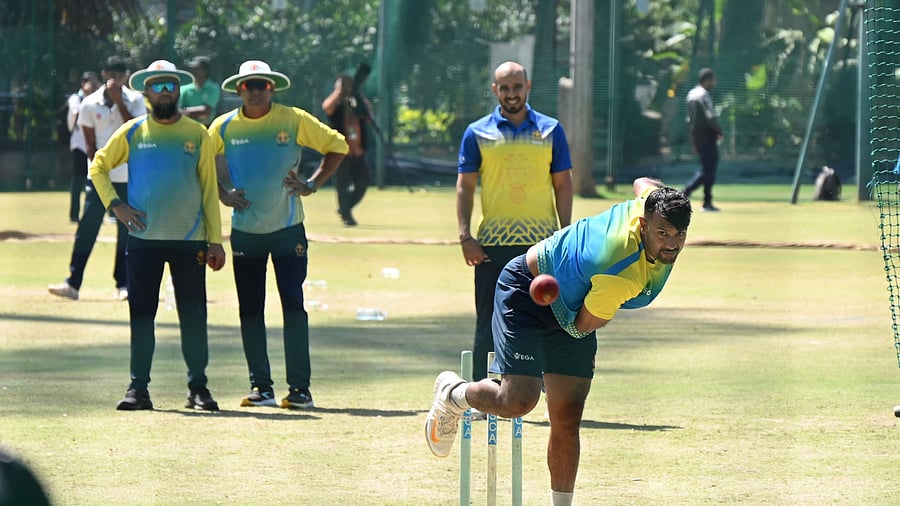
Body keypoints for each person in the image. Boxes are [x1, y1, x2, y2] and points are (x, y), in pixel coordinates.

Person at [425, 178, 692, 506]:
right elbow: (585, 324)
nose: (672, 244)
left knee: (567, 415)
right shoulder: (620, 271)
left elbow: (642, 183)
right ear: (643, 224)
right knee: (518, 401)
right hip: (527, 289)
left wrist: (664, 196)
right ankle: (453, 394)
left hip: (574, 301)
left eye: (679, 235)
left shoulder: (650, 203)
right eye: (662, 233)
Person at [209, 60, 348, 409]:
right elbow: (201, 161)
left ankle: (300, 389)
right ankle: (262, 388)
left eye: (262, 85)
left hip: (288, 232)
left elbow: (339, 146)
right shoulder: (223, 126)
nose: (256, 91)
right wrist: (223, 193)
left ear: (272, 88)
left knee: (293, 305)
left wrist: (312, 184)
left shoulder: (293, 119)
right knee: (251, 310)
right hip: (245, 233)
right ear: (238, 90)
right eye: (249, 85)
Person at [90, 60, 226, 411]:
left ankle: (198, 388)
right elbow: (99, 167)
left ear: (178, 91)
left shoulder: (198, 134)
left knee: (194, 315)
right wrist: (116, 206)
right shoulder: (133, 131)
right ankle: (138, 389)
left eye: (171, 86)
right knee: (141, 315)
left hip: (190, 242)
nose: (165, 92)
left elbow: (210, 191)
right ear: (146, 92)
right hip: (143, 242)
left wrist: (215, 241)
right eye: (157, 86)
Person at [457, 61, 573, 384]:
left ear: (528, 86)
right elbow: (465, 186)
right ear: (495, 90)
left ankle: (554, 393)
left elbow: (563, 185)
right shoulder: (476, 133)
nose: (511, 94)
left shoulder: (551, 130)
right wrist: (466, 236)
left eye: (517, 87)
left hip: (543, 247)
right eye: (504, 88)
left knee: (552, 320)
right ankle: (483, 391)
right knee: (488, 323)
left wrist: (564, 238)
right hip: (492, 244)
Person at [49, 56, 147, 301]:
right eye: (111, 72)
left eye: (120, 73)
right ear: (104, 74)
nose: (115, 77)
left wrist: (119, 103)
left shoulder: (135, 100)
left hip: (129, 177)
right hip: (100, 178)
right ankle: (73, 283)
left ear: (126, 76)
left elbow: (138, 132)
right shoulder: (90, 103)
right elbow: (90, 144)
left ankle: (123, 284)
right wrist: (99, 172)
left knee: (128, 230)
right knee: (87, 229)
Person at [322, 63, 373, 226]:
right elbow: (327, 107)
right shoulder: (336, 103)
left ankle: (345, 208)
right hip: (340, 151)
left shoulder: (356, 101)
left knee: (363, 182)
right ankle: (346, 216)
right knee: (342, 184)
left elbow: (368, 114)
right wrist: (339, 92)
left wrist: (356, 93)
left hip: (357, 151)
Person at [684, 67, 723, 212]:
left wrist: (694, 140)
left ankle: (707, 201)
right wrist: (719, 130)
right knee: (708, 170)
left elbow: (690, 120)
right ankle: (686, 193)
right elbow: (710, 117)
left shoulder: (691, 94)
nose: (714, 82)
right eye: (712, 79)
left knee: (708, 169)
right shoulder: (703, 95)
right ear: (706, 80)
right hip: (707, 136)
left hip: (697, 136)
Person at [66, 71, 101, 222]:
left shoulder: (99, 99)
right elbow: (75, 112)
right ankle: (74, 214)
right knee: (79, 179)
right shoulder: (77, 98)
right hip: (79, 145)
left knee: (97, 178)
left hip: (95, 143)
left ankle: (101, 213)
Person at [179, 55, 221, 126]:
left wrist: (184, 111)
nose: (193, 71)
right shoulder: (184, 89)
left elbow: (206, 111)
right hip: (186, 126)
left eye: (197, 69)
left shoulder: (213, 88)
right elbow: (178, 109)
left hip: (206, 127)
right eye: (192, 69)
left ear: (205, 71)